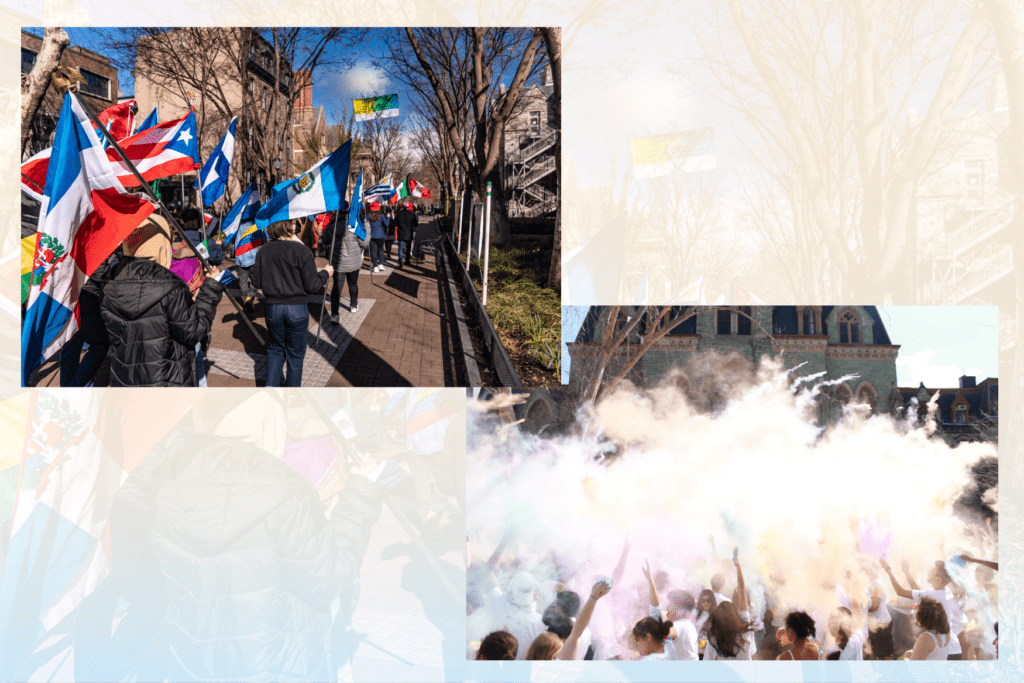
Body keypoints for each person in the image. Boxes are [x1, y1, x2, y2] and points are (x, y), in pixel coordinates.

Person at [102, 391, 386, 682]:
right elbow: (327, 579)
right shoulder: (287, 492)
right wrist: (359, 496)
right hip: (279, 662)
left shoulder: (161, 483)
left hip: (195, 660)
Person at [100, 215, 226, 386]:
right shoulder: (170, 285)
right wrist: (210, 288)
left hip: (125, 379)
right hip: (167, 381)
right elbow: (194, 331)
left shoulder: (109, 281)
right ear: (161, 243)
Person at [251, 220, 333, 387]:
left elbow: (256, 281)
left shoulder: (264, 251)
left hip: (273, 308)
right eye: (294, 223)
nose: (296, 226)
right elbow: (312, 286)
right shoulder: (302, 250)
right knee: (295, 356)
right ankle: (293, 400)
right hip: (296, 308)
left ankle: (270, 393)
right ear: (288, 227)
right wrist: (325, 273)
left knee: (275, 351)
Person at [880, 557, 967, 659]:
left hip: (943, 650)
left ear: (938, 579)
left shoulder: (934, 594)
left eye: (933, 571)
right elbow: (919, 593)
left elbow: (900, 591)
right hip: (952, 647)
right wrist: (907, 573)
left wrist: (888, 570)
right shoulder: (946, 591)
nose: (929, 572)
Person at [702, 556, 758, 660]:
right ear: (735, 615)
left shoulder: (713, 641)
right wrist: (738, 567)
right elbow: (743, 592)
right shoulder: (744, 630)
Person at [323, 202, 369, 319]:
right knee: (353, 284)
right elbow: (364, 242)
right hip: (352, 263)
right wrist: (366, 226)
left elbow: (324, 240)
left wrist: (331, 223)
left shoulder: (333, 224)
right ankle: (353, 306)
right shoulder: (354, 224)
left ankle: (334, 314)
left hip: (338, 263)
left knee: (337, 287)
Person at [557, 579, 611, 660]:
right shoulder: (587, 631)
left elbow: (577, 632)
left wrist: (594, 597)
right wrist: (594, 597)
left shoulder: (560, 629)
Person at [634, 560, 676, 660]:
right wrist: (650, 580)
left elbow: (657, 612)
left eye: (638, 640)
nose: (637, 645)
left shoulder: (649, 661)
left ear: (648, 637)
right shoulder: (668, 645)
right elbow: (656, 611)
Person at [366, 201, 390, 273]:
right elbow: (387, 224)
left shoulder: (368, 215)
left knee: (373, 251)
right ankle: (381, 264)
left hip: (372, 235)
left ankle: (375, 266)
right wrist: (388, 217)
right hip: (380, 235)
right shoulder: (381, 215)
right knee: (381, 250)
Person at [395, 201, 418, 269]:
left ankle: (401, 259)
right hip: (409, 233)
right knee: (408, 248)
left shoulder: (399, 214)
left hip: (401, 233)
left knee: (401, 248)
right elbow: (416, 224)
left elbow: (395, 223)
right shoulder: (412, 214)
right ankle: (407, 261)